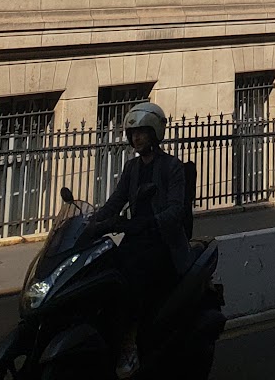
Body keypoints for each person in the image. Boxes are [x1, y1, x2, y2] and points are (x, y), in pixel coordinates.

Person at [85, 101, 191, 379]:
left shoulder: (172, 167)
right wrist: (91, 223)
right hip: (135, 237)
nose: (137, 138)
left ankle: (129, 345)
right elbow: (115, 201)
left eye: (142, 132)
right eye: (133, 134)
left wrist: (152, 222)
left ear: (154, 133)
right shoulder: (132, 168)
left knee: (134, 278)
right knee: (104, 270)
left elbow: (176, 209)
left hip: (163, 243)